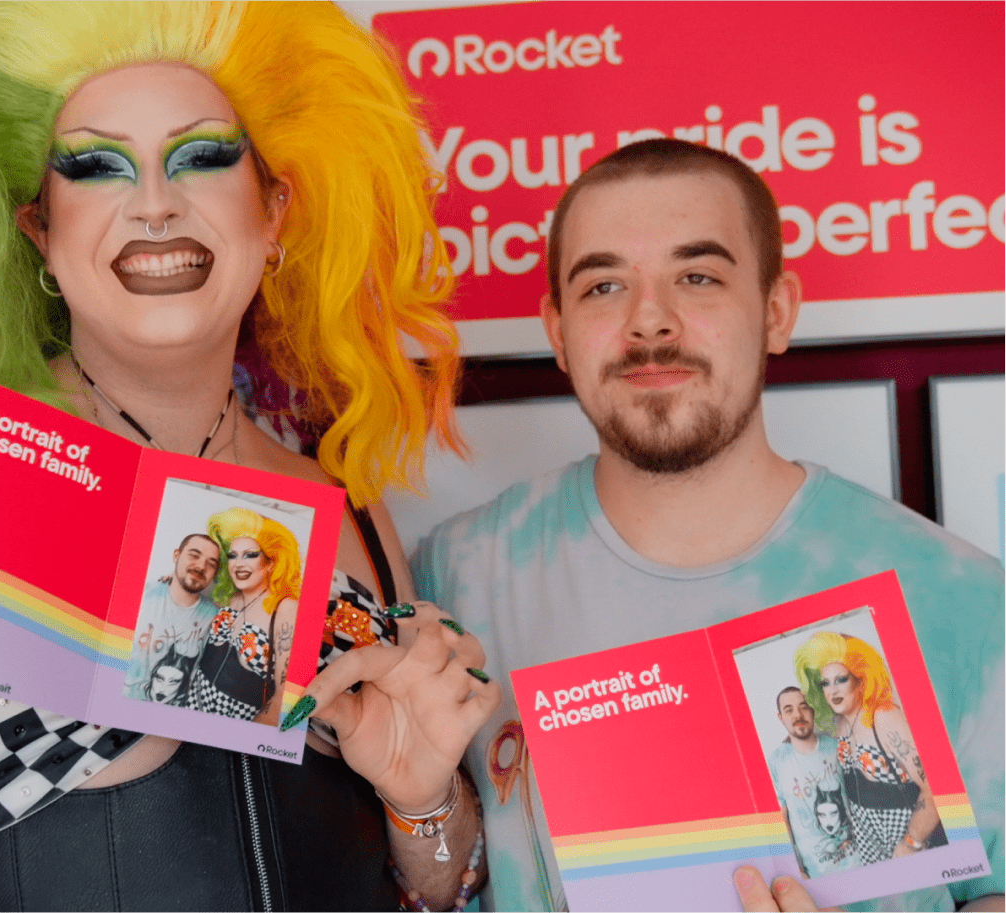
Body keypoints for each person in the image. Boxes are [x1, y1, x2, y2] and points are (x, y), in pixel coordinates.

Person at [0, 3, 500, 910]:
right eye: (95, 166)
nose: (155, 203)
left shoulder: (346, 512)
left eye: (202, 157)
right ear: (40, 228)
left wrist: (424, 801)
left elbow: (436, 889)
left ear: (275, 211)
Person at [411, 138, 1004, 913]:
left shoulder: (959, 600)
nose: (649, 322)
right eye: (603, 285)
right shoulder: (455, 577)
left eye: (698, 276)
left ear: (776, 310)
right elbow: (432, 876)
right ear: (557, 332)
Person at [795, 631, 945, 866]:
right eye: (825, 683)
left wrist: (911, 843)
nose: (832, 691)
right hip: (868, 843)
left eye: (841, 680)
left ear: (861, 679)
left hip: (907, 840)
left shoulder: (883, 717)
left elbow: (936, 785)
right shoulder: (839, 723)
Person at [188, 508, 300, 724]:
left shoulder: (285, 608)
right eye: (232, 555)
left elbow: (287, 694)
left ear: (270, 563)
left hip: (237, 722)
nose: (238, 563)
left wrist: (248, 739)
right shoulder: (228, 596)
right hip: (191, 702)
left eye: (250, 555)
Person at [766, 686, 857, 878]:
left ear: (812, 711)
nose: (798, 715)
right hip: (818, 875)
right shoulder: (776, 763)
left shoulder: (834, 745)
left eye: (803, 706)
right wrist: (796, 870)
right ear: (780, 718)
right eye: (789, 710)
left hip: (860, 860)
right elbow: (781, 824)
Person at [122, 532, 219, 702]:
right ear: (177, 555)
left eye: (211, 564)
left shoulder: (215, 618)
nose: (201, 566)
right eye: (194, 555)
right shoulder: (140, 594)